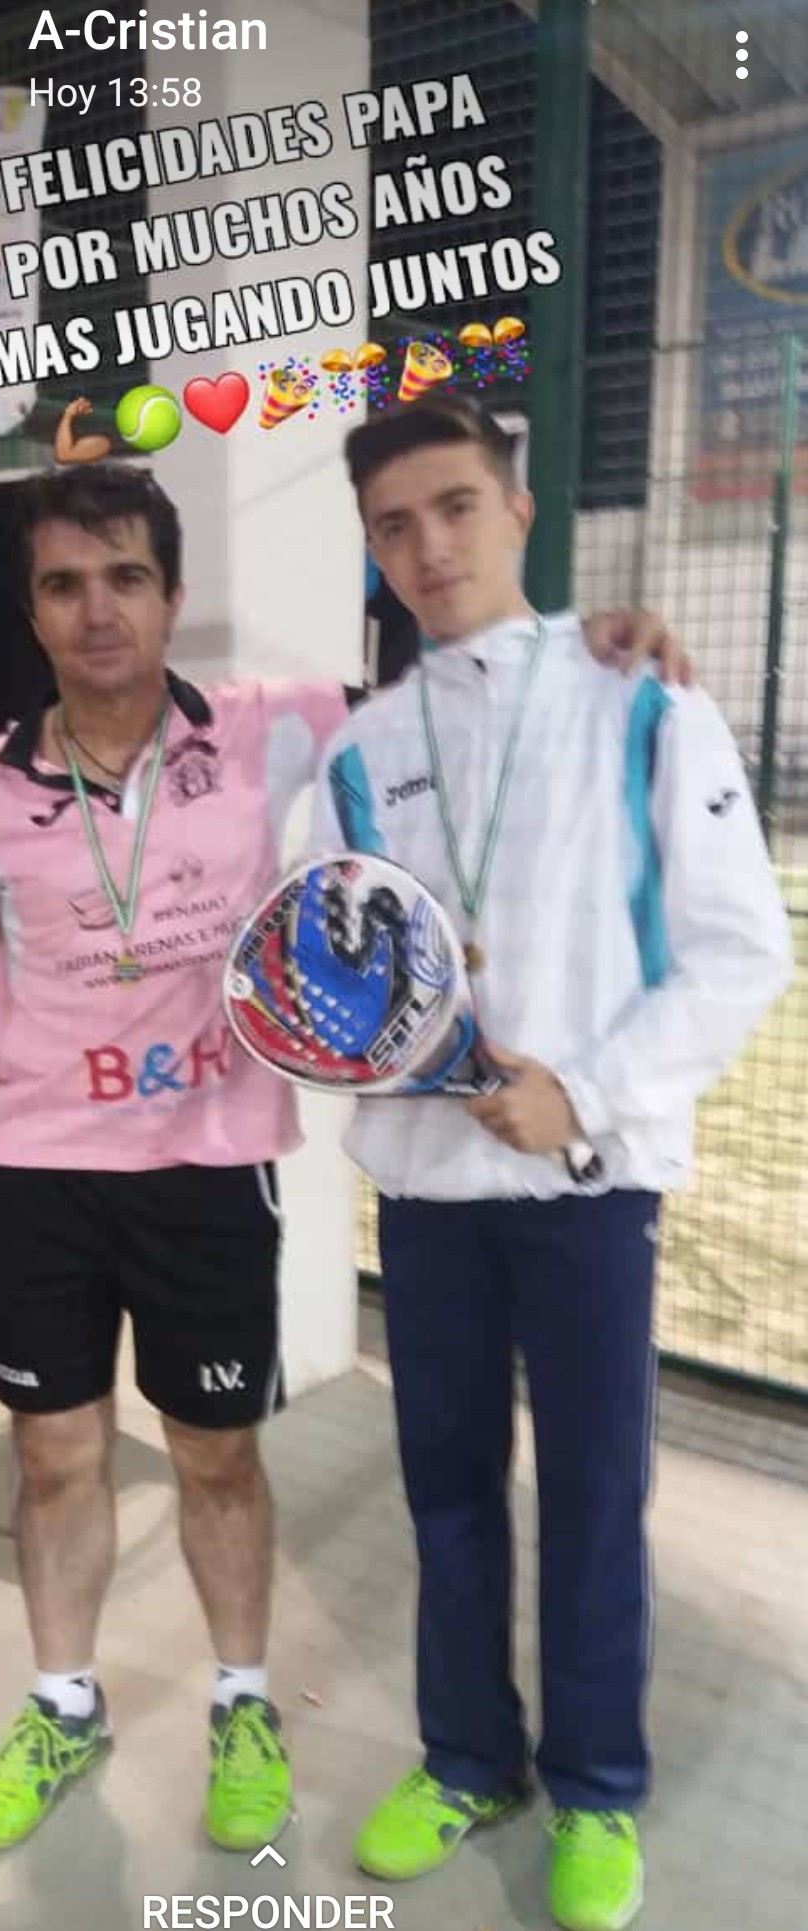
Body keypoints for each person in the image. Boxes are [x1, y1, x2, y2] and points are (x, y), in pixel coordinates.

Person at [0, 460, 688, 1859]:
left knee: (215, 1454)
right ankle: (63, 1701)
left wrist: (596, 642)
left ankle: (242, 1701)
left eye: (126, 578)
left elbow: (467, 695)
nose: (98, 611)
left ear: (172, 594)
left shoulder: (280, 726)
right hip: (35, 1166)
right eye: (65, 585)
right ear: (32, 607)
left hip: (209, 1163)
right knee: (55, 1450)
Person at [307, 396, 793, 1931]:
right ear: (372, 549)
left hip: (590, 1189)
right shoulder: (361, 749)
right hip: (428, 1196)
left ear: (518, 509)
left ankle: (596, 1785)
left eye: (456, 505)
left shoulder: (639, 697)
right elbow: (332, 970)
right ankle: (469, 1756)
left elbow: (739, 947)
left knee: (593, 1495)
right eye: (394, 525)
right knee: (447, 1491)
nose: (429, 545)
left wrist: (584, 1094)